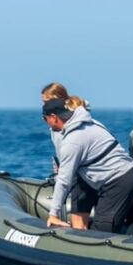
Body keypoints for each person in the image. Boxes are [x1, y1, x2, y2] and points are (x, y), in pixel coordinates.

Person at [43, 98, 133, 233]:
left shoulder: (72, 141)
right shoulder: (93, 123)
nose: (45, 123)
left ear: (54, 118)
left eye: (45, 119)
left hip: (118, 183)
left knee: (101, 233)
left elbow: (64, 180)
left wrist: (53, 214)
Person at [41, 82, 90, 229]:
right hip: (71, 169)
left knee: (79, 219)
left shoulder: (68, 122)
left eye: (46, 102)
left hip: (79, 174)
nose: (44, 106)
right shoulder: (61, 120)